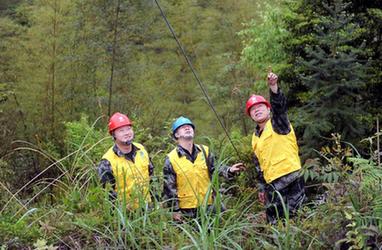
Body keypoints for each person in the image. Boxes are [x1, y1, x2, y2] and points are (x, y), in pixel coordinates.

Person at [245, 72, 305, 224]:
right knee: (276, 225)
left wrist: (273, 87)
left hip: (291, 180)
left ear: (268, 109)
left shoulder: (279, 122)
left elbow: (280, 107)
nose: (257, 110)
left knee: (298, 220)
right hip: (272, 187)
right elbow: (259, 166)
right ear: (250, 115)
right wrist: (261, 189)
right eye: (253, 109)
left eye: (260, 107)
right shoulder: (254, 138)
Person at [163, 116, 245, 222]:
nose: (187, 128)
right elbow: (169, 189)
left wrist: (229, 170)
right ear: (176, 134)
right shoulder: (171, 158)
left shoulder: (205, 151)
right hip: (186, 211)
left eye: (190, 126)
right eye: (183, 127)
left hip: (208, 205)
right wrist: (175, 210)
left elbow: (215, 168)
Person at [98, 112, 154, 210]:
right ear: (113, 134)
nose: (127, 133)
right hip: (125, 216)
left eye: (129, 129)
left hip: (148, 209)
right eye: (121, 130)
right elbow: (107, 194)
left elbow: (151, 178)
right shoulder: (107, 161)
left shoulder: (141, 150)